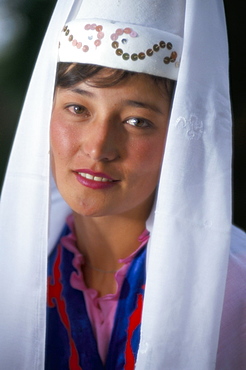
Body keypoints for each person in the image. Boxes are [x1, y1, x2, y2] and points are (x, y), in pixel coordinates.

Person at [0, 0, 245, 369]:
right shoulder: (10, 266)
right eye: (78, 109)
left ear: (182, 140)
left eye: (136, 121)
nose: (99, 147)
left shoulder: (235, 289)